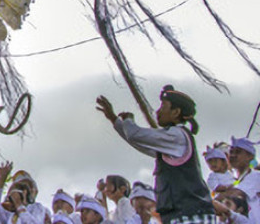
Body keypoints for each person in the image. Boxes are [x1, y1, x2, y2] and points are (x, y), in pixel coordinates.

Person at [96, 85, 215, 224]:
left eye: (163, 107)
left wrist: (129, 119)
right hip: (180, 215)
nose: (158, 112)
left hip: (190, 215)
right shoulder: (170, 142)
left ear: (176, 112)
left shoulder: (176, 135)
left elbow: (135, 135)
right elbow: (139, 142)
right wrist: (114, 120)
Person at [227, 138, 259, 224]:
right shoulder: (236, 182)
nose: (233, 155)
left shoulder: (255, 176)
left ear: (250, 156)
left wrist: (210, 202)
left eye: (238, 152)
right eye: (231, 152)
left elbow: (236, 193)